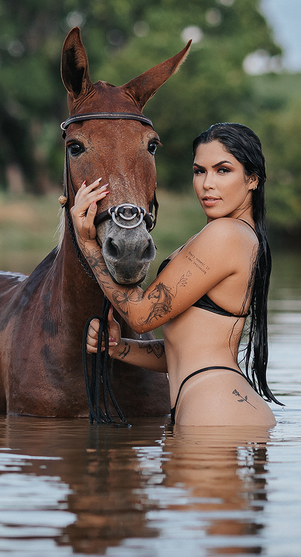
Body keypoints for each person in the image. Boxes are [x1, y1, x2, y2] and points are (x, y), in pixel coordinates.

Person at [74, 122, 280, 427]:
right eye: (199, 171)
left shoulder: (225, 235)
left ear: (252, 179)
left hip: (216, 409)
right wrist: (118, 348)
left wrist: (87, 244)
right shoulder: (233, 235)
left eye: (223, 170)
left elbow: (141, 316)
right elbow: (184, 350)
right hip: (215, 404)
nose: (207, 184)